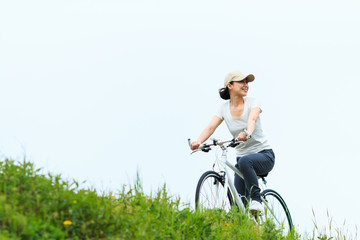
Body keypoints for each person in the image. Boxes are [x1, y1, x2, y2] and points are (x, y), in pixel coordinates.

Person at [190, 70, 275, 215]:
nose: (246, 85)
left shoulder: (253, 102)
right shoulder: (223, 108)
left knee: (245, 161)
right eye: (241, 82)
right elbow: (211, 127)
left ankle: (257, 201)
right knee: (237, 207)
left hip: (264, 156)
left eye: (247, 82)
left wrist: (247, 133)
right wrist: (198, 142)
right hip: (242, 161)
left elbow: (252, 119)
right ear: (230, 85)